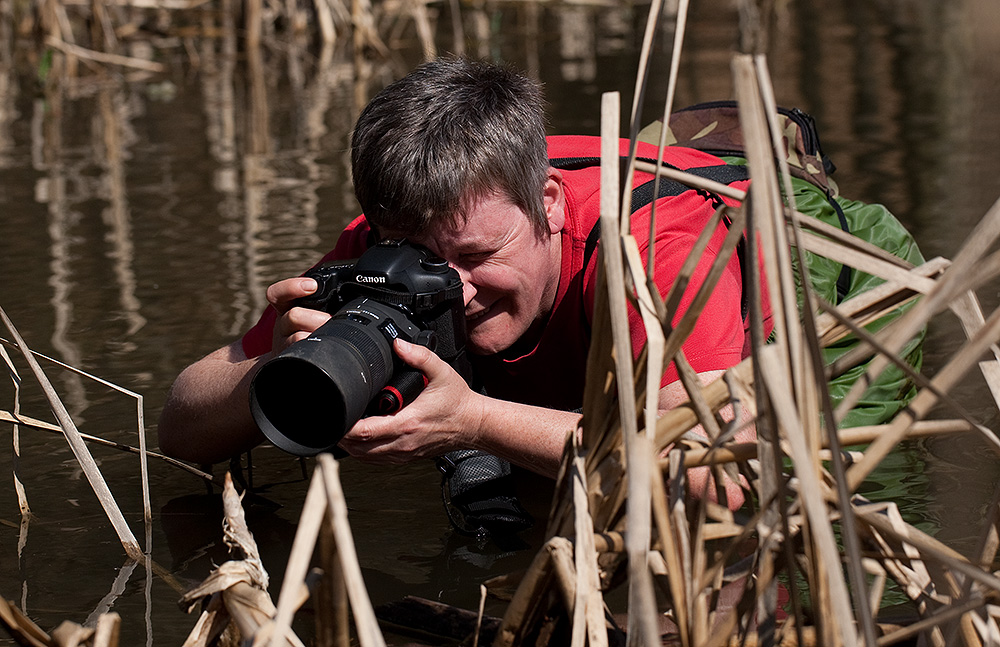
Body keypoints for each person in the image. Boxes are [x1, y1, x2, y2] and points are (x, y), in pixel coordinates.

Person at [158, 57, 770, 504]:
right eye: (424, 262)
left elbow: (717, 478)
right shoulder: (391, 243)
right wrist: (277, 366)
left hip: (807, 299)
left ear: (549, 204)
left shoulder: (656, 247)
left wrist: (475, 423)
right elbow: (181, 431)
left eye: (479, 254)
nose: (458, 291)